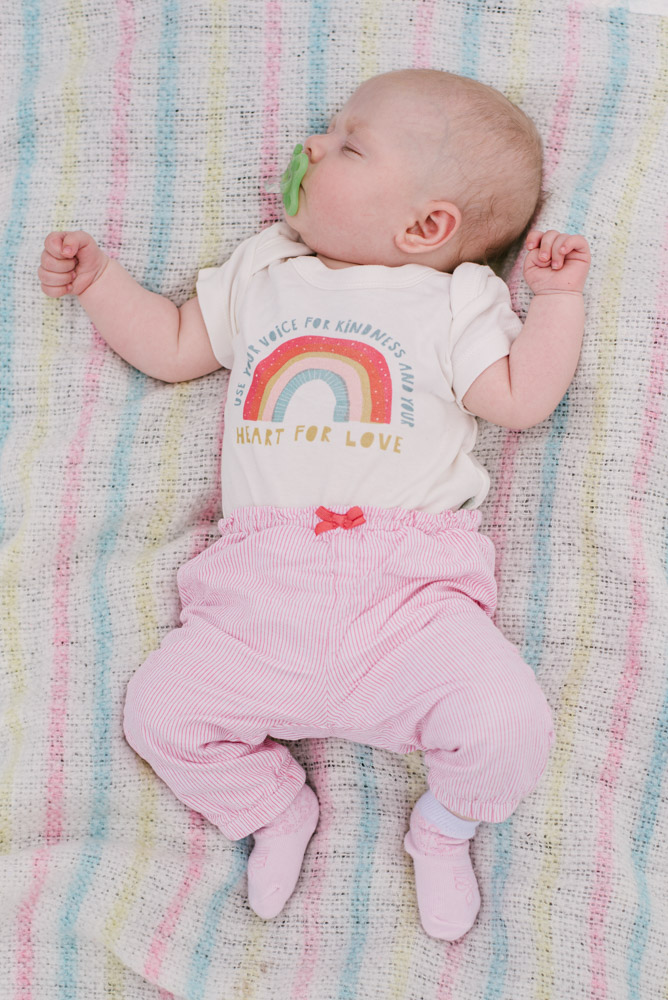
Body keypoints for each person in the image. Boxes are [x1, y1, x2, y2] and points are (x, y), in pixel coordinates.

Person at [38, 68, 590, 942]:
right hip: (258, 594)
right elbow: (175, 346)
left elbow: (521, 399)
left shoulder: (457, 301)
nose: (311, 146)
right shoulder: (266, 270)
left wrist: (557, 303)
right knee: (161, 713)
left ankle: (446, 828)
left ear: (426, 226)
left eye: (348, 145)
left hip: (409, 599)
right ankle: (272, 809)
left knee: (510, 725)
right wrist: (102, 282)